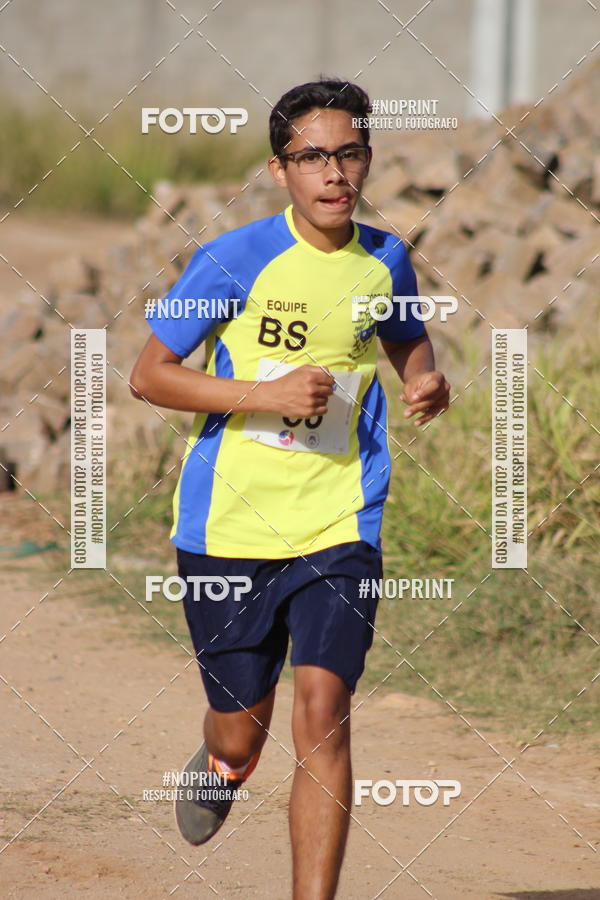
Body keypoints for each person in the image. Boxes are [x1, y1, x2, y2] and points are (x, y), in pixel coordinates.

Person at [130, 76, 450, 899]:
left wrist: (425, 380)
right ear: (281, 170)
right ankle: (224, 761)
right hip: (227, 527)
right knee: (242, 729)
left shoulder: (386, 256)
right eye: (313, 156)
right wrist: (262, 396)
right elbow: (150, 377)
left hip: (341, 517)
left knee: (323, 712)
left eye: (349, 153)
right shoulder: (231, 259)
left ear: (367, 159)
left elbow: (407, 340)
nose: (334, 172)